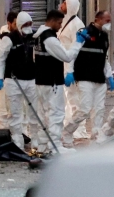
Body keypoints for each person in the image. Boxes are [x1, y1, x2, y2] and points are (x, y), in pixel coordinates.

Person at [34, 10, 88, 153]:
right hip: (52, 83)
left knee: (44, 114)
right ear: (51, 21)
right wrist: (78, 42)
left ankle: (43, 145)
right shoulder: (49, 39)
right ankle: (55, 146)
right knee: (56, 114)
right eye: (58, 23)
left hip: (41, 82)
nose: (60, 26)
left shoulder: (38, 36)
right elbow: (67, 56)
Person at [0, 12, 44, 151]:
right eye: (25, 24)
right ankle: (17, 143)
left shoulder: (34, 38)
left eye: (30, 24)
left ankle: (35, 140)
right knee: (15, 114)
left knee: (33, 112)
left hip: (31, 80)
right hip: (13, 81)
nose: (28, 27)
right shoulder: (8, 39)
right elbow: (0, 59)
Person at [62, 10, 114, 147]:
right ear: (97, 19)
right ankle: (67, 132)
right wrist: (69, 71)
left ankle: (95, 139)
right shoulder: (84, 33)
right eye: (107, 20)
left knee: (99, 110)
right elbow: (73, 53)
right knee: (84, 109)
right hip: (84, 77)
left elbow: (105, 57)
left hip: (99, 78)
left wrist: (109, 75)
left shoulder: (104, 36)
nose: (109, 24)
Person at [58, 0, 88, 140]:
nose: (61, 5)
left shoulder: (77, 24)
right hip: (63, 66)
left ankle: (79, 129)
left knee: (75, 100)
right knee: (68, 99)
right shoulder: (64, 22)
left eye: (64, 3)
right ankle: (68, 126)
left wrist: (71, 71)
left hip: (72, 67)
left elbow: (77, 49)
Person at [0, 11, 18, 129]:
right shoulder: (2, 40)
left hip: (18, 80)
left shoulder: (20, 38)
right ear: (9, 23)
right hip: (6, 79)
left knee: (17, 112)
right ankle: (2, 135)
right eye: (16, 24)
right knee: (3, 111)